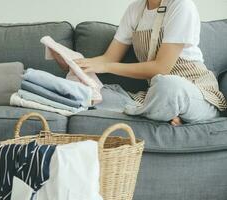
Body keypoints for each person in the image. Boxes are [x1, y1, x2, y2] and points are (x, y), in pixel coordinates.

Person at [50, 0, 227, 126]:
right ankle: (163, 113)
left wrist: (105, 66)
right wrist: (74, 64)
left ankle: (149, 111)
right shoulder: (135, 10)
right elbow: (108, 58)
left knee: (168, 85)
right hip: (153, 96)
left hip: (195, 92)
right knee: (88, 92)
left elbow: (161, 68)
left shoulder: (181, 5)